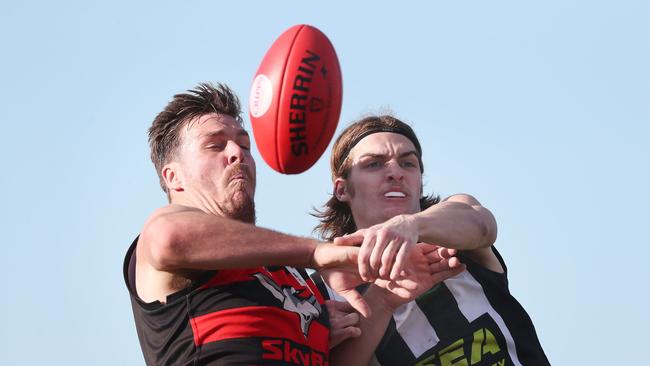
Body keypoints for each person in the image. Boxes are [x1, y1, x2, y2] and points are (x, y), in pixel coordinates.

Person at [122, 83, 459, 365]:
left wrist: (383, 298)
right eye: (215, 145)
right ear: (173, 177)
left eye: (244, 144)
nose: (238, 153)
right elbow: (168, 238)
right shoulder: (165, 239)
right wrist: (319, 253)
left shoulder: (291, 278)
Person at [313, 115, 550, 365]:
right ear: (342, 189)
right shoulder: (325, 288)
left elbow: (483, 225)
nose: (395, 172)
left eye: (408, 163)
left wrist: (411, 224)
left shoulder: (455, 230)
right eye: (374, 164)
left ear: (420, 183)